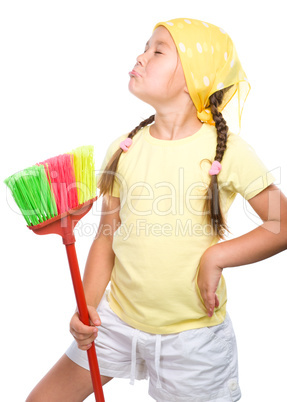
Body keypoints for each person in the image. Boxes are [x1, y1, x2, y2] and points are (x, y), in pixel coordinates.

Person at [26, 17, 287, 402]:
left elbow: (280, 224)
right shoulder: (124, 147)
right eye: (145, 46)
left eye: (158, 50)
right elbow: (106, 237)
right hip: (116, 322)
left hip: (192, 343)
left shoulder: (229, 151)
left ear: (193, 78)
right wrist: (87, 309)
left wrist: (216, 257)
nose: (141, 56)